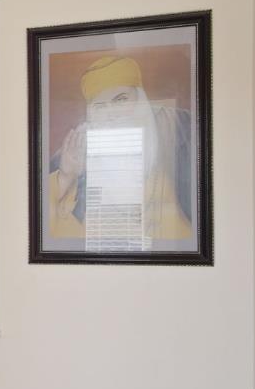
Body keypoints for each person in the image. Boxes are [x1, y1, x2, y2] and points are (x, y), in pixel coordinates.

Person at [47, 55, 193, 247]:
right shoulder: (75, 150)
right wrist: (66, 176)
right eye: (100, 106)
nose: (111, 114)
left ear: (140, 98)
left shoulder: (180, 129)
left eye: (120, 100)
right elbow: (49, 230)